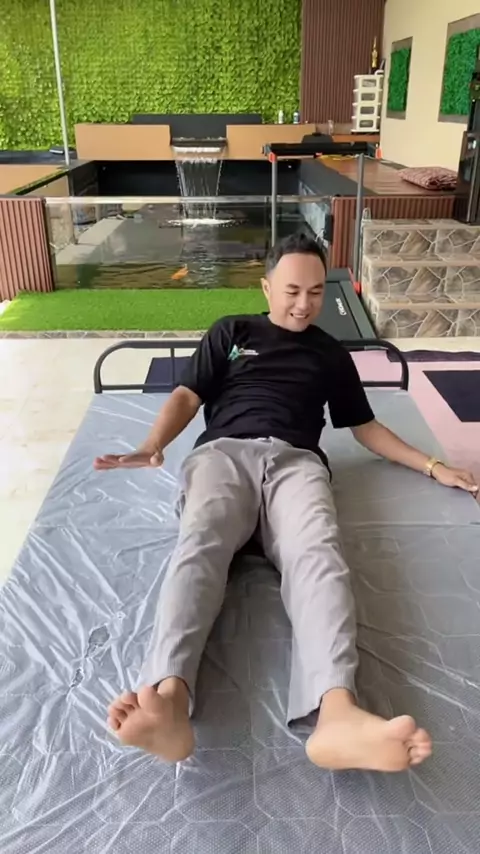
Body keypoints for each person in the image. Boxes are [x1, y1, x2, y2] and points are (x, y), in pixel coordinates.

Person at [94, 232, 478, 773]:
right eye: (292, 291)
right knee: (201, 546)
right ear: (266, 288)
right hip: (224, 455)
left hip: (296, 463)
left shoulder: (329, 352)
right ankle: (169, 700)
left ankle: (336, 713)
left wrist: (436, 466)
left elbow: (365, 427)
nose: (303, 304)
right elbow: (186, 395)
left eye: (316, 292)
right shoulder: (232, 331)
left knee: (318, 556)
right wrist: (152, 444)